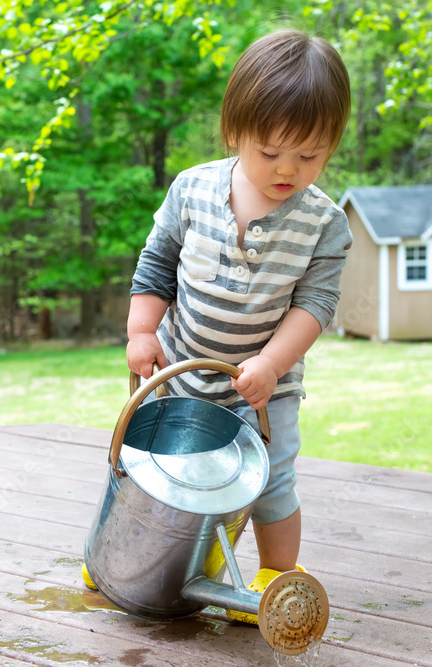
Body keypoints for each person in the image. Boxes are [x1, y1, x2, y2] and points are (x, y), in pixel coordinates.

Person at [125, 29, 352, 624]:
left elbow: (316, 306)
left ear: (331, 146)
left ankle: (276, 578)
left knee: (271, 480)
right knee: (161, 470)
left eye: (309, 156)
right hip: (179, 370)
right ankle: (135, 556)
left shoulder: (324, 224)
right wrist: (142, 330)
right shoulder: (193, 189)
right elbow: (157, 264)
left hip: (263, 389)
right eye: (270, 152)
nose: (287, 169)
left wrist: (273, 364)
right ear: (235, 132)